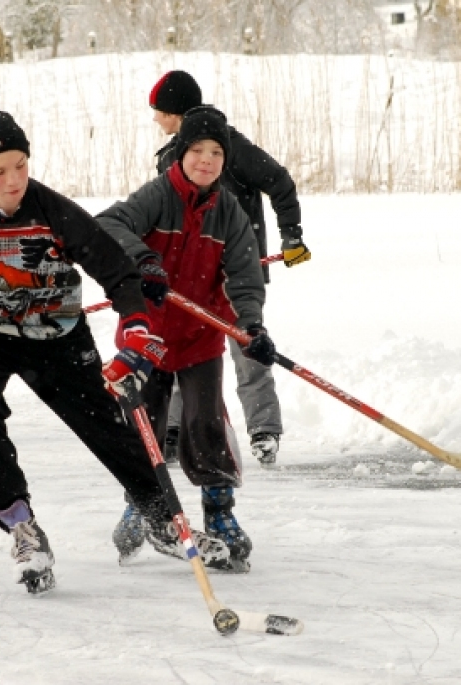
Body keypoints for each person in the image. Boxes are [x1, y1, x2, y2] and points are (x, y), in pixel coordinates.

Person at [0, 104, 228, 594]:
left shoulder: (53, 209)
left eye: (21, 166)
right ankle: (21, 525)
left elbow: (117, 270)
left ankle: (160, 518)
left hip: (55, 332)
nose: (13, 180)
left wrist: (136, 325)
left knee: (105, 419)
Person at [97, 105, 277, 573]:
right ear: (182, 153)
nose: (207, 160)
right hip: (149, 335)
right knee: (146, 428)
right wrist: (144, 262)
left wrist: (251, 327)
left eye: (217, 152)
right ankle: (143, 506)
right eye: (198, 150)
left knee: (205, 426)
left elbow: (243, 275)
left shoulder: (229, 211)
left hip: (201, 335)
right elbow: (108, 224)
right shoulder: (159, 196)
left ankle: (220, 515)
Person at [148, 70, 306, 466]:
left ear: (175, 111)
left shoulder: (230, 147)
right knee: (183, 351)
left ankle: (264, 431)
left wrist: (292, 236)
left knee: (247, 348)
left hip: (236, 275)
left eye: (159, 111)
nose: (155, 119)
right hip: (188, 277)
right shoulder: (171, 156)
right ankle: (172, 429)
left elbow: (280, 182)